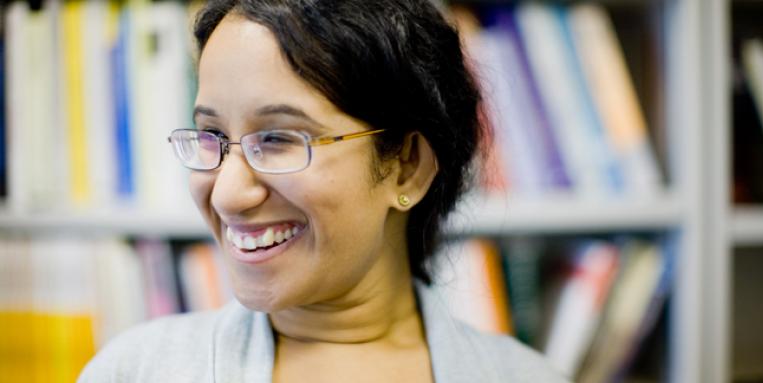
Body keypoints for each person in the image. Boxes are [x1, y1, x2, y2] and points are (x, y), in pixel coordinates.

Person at [79, 0, 567, 382]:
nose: (227, 194)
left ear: (406, 167)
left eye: (277, 139)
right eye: (212, 137)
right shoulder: (134, 371)